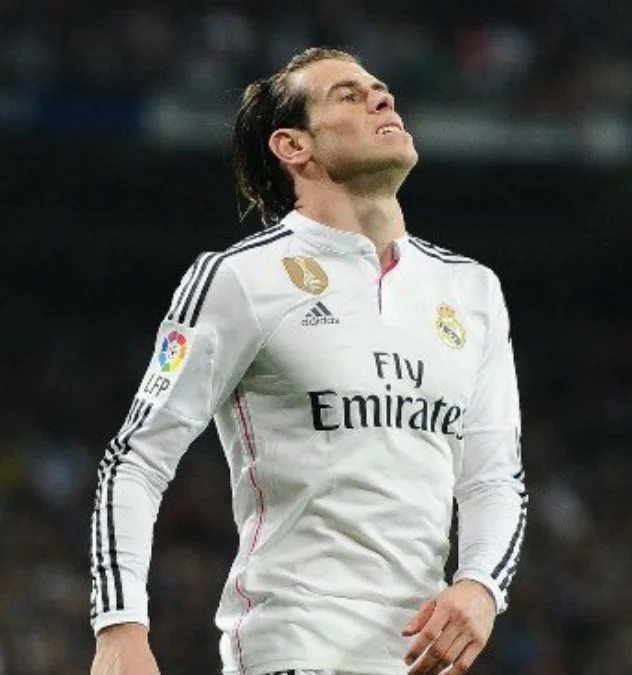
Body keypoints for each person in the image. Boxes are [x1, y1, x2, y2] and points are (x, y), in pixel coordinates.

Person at [88, 47, 527, 675]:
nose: (382, 98)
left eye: (380, 88)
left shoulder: (470, 290)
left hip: (418, 660)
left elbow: (493, 478)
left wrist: (481, 584)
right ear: (294, 146)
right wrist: (120, 626)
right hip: (294, 650)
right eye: (348, 95)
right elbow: (136, 459)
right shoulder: (241, 278)